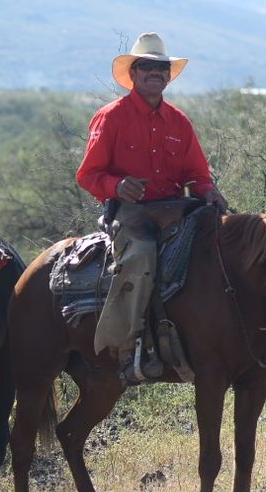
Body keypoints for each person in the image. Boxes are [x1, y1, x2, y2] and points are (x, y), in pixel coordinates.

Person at [76, 32, 229, 383]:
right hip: (132, 212)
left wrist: (209, 191)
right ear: (133, 73)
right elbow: (87, 175)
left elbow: (197, 175)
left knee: (223, 248)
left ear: (168, 76)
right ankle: (128, 349)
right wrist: (117, 186)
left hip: (178, 210)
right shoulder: (111, 117)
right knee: (141, 257)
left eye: (161, 68)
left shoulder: (179, 122)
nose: (155, 73)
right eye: (146, 66)